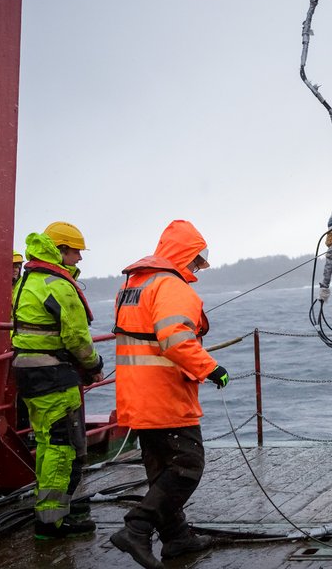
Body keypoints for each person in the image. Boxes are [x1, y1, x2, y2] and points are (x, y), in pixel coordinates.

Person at [110, 220, 228, 569]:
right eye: (196, 260)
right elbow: (174, 339)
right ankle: (137, 528)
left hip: (136, 395)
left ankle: (176, 539)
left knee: (162, 467)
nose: (197, 269)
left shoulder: (134, 283)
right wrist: (211, 368)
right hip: (164, 394)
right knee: (187, 467)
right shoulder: (173, 287)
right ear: (183, 255)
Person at [11, 221, 104, 539]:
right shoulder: (58, 285)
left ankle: (50, 516)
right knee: (63, 448)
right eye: (76, 251)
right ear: (61, 250)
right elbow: (78, 339)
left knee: (48, 444)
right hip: (54, 378)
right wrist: (94, 365)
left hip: (28, 375)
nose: (79, 258)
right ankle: (51, 523)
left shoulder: (28, 281)